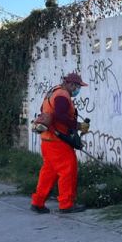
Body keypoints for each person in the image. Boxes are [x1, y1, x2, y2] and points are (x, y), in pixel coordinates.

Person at [31, 72, 90, 214]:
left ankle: (38, 202)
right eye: (77, 87)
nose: (77, 90)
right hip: (58, 141)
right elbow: (60, 116)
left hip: (47, 139)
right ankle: (66, 204)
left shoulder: (53, 91)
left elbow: (44, 111)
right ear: (71, 84)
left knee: (49, 172)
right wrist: (78, 126)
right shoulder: (63, 96)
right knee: (68, 170)